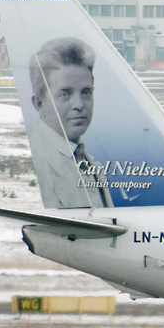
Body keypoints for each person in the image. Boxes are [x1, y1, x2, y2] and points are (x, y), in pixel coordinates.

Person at [27, 37, 110, 208]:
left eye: (86, 92)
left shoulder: (83, 158)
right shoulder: (40, 164)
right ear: (39, 103)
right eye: (65, 94)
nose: (79, 105)